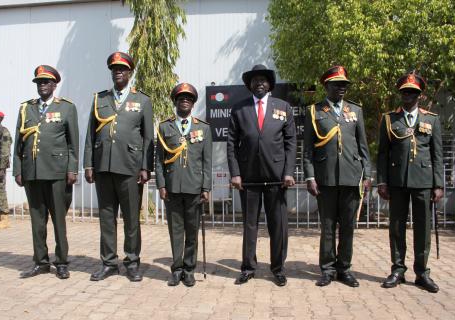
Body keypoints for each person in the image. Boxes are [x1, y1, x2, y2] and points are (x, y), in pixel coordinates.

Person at [84, 51, 154, 282]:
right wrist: (88, 165)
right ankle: (108, 263)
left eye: (122, 69)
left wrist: (145, 167)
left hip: (130, 168)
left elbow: (147, 137)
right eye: (115, 69)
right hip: (103, 166)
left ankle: (132, 262)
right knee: (106, 217)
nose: (118, 72)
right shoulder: (100, 99)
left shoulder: (142, 100)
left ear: (130, 72)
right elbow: (89, 136)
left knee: (131, 218)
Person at [227, 64, 297, 286]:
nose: (259, 83)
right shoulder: (239, 109)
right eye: (255, 80)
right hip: (248, 179)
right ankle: (248, 267)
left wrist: (288, 172)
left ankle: (278, 268)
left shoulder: (283, 107)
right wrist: (235, 174)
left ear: (270, 84)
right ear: (249, 85)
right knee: (250, 225)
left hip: (277, 178)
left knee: (278, 225)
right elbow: (231, 144)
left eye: (263, 80)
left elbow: (291, 142)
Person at [303, 66, 371, 287]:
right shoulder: (315, 111)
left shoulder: (355, 110)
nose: (342, 88)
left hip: (352, 177)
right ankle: (327, 269)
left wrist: (367, 175)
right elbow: (308, 151)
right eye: (337, 84)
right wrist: (310, 177)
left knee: (348, 227)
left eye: (344, 85)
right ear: (327, 86)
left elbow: (363, 147)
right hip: (326, 179)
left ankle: (344, 268)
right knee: (328, 226)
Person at [377, 72, 443, 293]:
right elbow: (383, 154)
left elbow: (437, 155)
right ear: (400, 93)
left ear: (420, 96)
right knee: (396, 227)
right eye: (405, 91)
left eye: (412, 92)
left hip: (424, 181)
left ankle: (422, 273)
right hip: (397, 181)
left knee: (423, 228)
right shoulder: (390, 119)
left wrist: (439, 184)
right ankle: (398, 269)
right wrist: (382, 182)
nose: (408, 95)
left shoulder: (431, 119)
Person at [13, 65, 79, 279]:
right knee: (37, 221)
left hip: (57, 173)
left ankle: (61, 262)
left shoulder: (67, 108)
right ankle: (41, 262)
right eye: (39, 82)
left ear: (54, 84)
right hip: (32, 172)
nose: (42, 85)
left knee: (59, 220)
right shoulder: (26, 108)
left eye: (45, 82)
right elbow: (18, 144)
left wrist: (72, 169)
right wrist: (18, 170)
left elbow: (72, 143)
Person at [155, 83, 212, 287]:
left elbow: (207, 161)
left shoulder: (203, 128)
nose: (184, 101)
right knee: (176, 231)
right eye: (181, 98)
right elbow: (159, 161)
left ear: (193, 103)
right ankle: (177, 269)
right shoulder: (164, 126)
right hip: (172, 189)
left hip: (195, 188)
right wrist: (161, 185)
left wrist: (206, 188)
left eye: (188, 98)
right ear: (175, 102)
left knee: (192, 230)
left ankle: (189, 270)